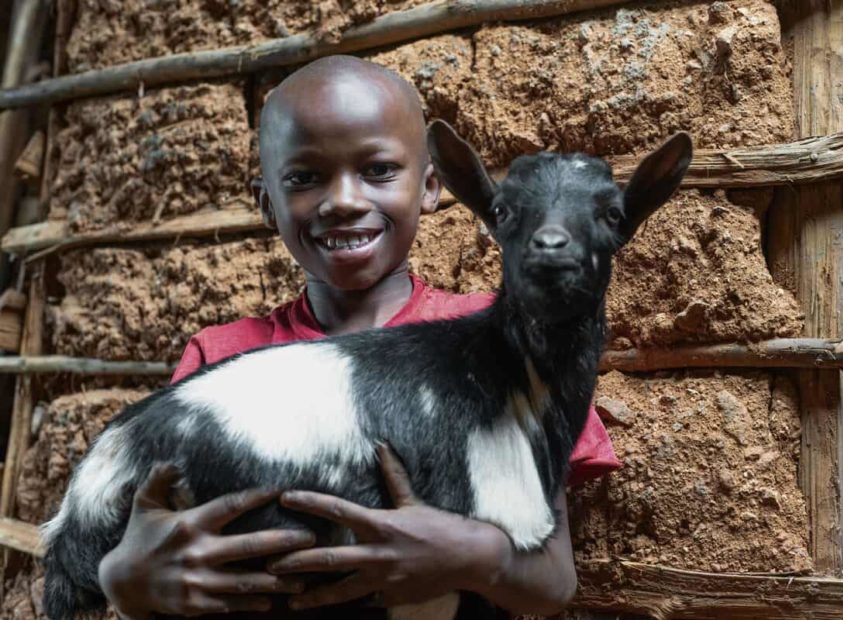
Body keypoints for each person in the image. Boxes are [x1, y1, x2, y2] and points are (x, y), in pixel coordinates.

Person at [97, 55, 620, 619]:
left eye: (377, 170)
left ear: (431, 188)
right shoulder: (222, 363)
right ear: (267, 204)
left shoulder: (510, 351)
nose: (343, 200)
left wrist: (471, 555)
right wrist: (124, 582)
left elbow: (551, 581)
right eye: (304, 177)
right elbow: (155, 542)